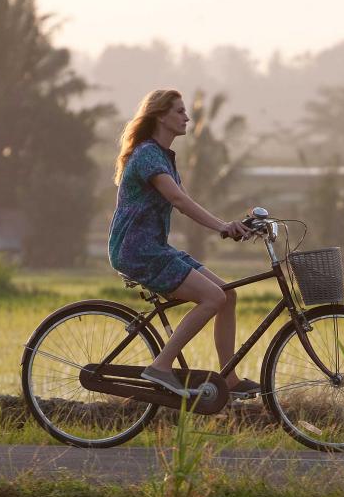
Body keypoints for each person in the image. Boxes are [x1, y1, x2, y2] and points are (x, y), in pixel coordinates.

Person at [108, 89, 259, 398]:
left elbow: (186, 199)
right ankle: (161, 367)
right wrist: (221, 226)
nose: (187, 117)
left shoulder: (163, 156)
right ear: (161, 115)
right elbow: (177, 199)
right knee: (213, 298)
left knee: (227, 295)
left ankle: (227, 379)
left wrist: (233, 225)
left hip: (154, 248)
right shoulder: (147, 153)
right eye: (179, 111)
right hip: (137, 250)